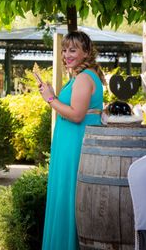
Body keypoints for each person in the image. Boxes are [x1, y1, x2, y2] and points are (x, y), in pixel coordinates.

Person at [39, 30, 105, 250]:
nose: (66, 54)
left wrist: (49, 98)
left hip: (75, 144)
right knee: (63, 194)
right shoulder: (79, 77)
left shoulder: (85, 78)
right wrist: (52, 95)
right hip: (68, 143)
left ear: (86, 52)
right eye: (65, 50)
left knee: (69, 197)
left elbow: (76, 115)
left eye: (73, 50)